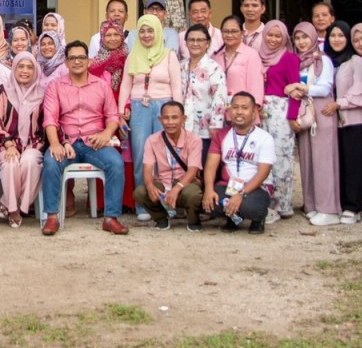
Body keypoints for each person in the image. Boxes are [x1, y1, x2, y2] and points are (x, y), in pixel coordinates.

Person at [40, 40, 128, 236]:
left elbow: (112, 116)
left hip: (94, 142)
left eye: (81, 57)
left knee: (115, 163)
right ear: (66, 62)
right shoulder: (55, 86)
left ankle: (111, 218)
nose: (77, 61)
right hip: (67, 142)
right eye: (72, 58)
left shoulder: (101, 85)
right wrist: (54, 143)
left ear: (88, 61)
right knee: (51, 161)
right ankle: (52, 217)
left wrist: (106, 134)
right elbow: (50, 119)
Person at [118, 15, 183, 220]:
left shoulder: (169, 55)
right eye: (142, 31)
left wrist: (178, 113)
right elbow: (125, 86)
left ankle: (167, 203)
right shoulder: (132, 55)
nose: (146, 35)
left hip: (165, 108)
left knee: (165, 157)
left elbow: (177, 86)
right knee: (140, 157)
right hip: (139, 108)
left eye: (150, 30)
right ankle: (143, 206)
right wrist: (121, 113)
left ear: (158, 32)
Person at [292, 22, 342, 226]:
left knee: (323, 162)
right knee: (307, 160)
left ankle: (328, 209)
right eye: (297, 38)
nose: (302, 42)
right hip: (305, 113)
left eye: (305, 37)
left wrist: (301, 88)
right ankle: (312, 205)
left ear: (313, 38)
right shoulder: (298, 61)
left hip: (321, 111)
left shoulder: (323, 60)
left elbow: (325, 87)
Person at [203, 91, 275, 233]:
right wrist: (209, 189)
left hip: (256, 187)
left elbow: (263, 173)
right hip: (229, 185)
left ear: (254, 111)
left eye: (244, 108)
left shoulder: (265, 138)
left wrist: (241, 194)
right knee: (211, 204)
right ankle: (233, 217)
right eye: (235, 107)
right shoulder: (222, 135)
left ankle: (258, 219)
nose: (239, 112)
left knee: (252, 208)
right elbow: (210, 166)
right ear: (229, 110)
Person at [0, 51, 45, 226]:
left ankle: (14, 204)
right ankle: (13, 210)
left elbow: (46, 122)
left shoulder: (42, 93)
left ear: (35, 70)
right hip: (5, 142)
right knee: (11, 162)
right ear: (14, 68)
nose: (25, 71)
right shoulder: (3, 90)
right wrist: (8, 143)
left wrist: (32, 145)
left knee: (29, 162)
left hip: (33, 143)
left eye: (29, 67)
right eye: (21, 66)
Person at [256, 20, 302, 219]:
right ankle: (266, 201)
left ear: (284, 38)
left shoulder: (290, 58)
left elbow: (296, 89)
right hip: (261, 111)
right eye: (270, 35)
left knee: (281, 157)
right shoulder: (259, 57)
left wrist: (292, 115)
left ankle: (283, 203)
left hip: (281, 113)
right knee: (263, 157)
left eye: (278, 36)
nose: (273, 40)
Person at [134, 100, 204, 230]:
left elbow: (192, 171)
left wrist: (176, 189)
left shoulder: (194, 139)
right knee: (140, 192)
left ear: (184, 119)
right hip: (163, 183)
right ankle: (161, 218)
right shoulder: (152, 140)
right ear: (160, 119)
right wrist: (150, 186)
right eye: (166, 118)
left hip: (185, 183)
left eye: (175, 117)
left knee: (193, 193)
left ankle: (193, 220)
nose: (170, 122)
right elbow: (147, 168)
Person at [332, 23, 362, 223]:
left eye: (341, 35)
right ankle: (344, 203)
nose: (336, 39)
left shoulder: (356, 61)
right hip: (339, 123)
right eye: (333, 35)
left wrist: (337, 104)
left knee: (354, 166)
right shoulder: (336, 62)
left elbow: (360, 94)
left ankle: (353, 207)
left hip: (355, 122)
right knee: (342, 165)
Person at [181, 23, 229, 165]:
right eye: (191, 40)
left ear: (207, 43)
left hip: (205, 130)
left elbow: (220, 98)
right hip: (183, 127)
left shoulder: (213, 68)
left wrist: (215, 125)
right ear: (186, 42)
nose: (195, 43)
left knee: (202, 166)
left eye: (200, 40)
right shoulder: (180, 66)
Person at [216, 16, 263, 123]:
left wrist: (253, 110)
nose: (229, 35)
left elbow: (256, 86)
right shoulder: (216, 56)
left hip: (243, 114)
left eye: (234, 31)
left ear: (242, 33)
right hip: (219, 114)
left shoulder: (251, 55)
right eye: (226, 31)